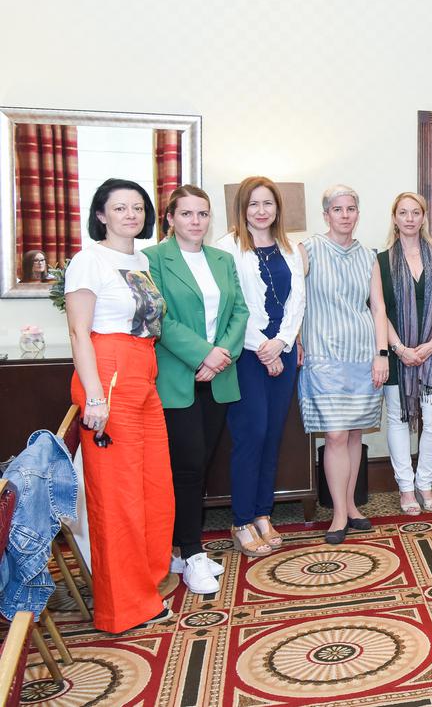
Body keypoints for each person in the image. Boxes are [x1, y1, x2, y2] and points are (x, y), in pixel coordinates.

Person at [64, 178, 173, 632]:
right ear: (101, 215)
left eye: (137, 207)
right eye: (120, 207)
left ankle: (146, 585)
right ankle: (123, 607)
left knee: (153, 489)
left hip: (143, 375)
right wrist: (94, 397)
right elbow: (78, 333)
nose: (131, 214)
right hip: (108, 378)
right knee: (118, 498)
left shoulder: (141, 261)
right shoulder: (88, 261)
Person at [145, 185, 248, 593]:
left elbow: (239, 311)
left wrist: (220, 355)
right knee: (185, 469)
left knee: (199, 466)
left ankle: (177, 547)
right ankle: (191, 553)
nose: (196, 221)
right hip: (178, 377)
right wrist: (203, 354)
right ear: (170, 218)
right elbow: (160, 318)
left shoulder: (222, 259)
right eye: (186, 214)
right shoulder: (152, 259)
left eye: (202, 214)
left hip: (218, 378)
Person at [216, 176, 305, 557]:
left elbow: (298, 299)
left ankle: (263, 514)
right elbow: (233, 303)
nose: (261, 210)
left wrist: (281, 342)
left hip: (282, 350)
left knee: (272, 435)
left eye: (268, 203)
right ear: (242, 208)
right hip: (245, 355)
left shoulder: (290, 247)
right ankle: (241, 520)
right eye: (253, 203)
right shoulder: (227, 248)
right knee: (250, 435)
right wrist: (262, 347)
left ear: (277, 208)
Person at [298, 185, 386, 544]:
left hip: (363, 356)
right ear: (326, 215)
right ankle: (337, 513)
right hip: (323, 356)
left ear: (358, 214)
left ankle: (351, 507)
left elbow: (378, 307)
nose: (345, 215)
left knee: (354, 433)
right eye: (337, 209)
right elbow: (295, 299)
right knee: (335, 434)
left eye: (351, 208)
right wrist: (296, 339)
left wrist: (381, 354)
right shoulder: (308, 250)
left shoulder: (368, 256)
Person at [375, 192, 432, 515]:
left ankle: (425, 484)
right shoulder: (382, 261)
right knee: (397, 420)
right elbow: (379, 310)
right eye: (403, 212)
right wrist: (399, 348)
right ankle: (406, 489)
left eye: (415, 212)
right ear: (394, 218)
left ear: (423, 218)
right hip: (398, 354)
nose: (409, 218)